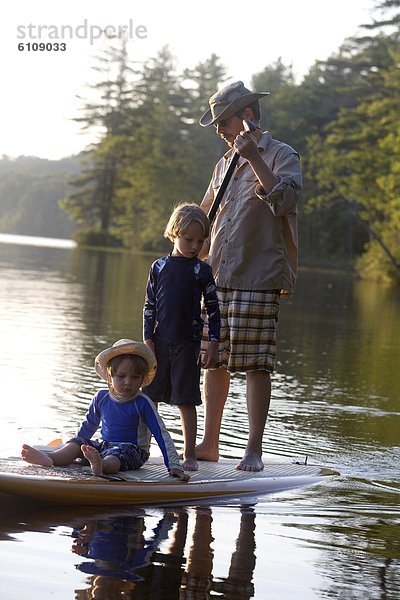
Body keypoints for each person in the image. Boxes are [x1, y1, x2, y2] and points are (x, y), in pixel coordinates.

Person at [196, 80, 303, 472]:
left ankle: (252, 450)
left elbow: (287, 201)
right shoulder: (223, 164)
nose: (220, 133)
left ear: (246, 117)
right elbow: (205, 214)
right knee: (214, 362)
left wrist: (255, 157)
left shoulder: (281, 154)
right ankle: (209, 444)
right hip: (216, 274)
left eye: (223, 123)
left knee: (257, 365)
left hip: (258, 276)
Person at [21, 339, 189, 481]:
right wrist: (77, 447)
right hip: (104, 445)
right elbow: (87, 427)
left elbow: (161, 434)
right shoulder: (101, 397)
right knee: (78, 443)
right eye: (121, 376)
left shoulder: (142, 402)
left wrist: (174, 465)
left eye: (135, 377)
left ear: (143, 379)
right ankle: (51, 459)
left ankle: (101, 466)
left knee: (114, 457)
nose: (128, 382)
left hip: (132, 450)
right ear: (110, 376)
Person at [143, 203, 220, 472]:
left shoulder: (201, 271)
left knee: (186, 399)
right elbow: (149, 306)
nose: (195, 246)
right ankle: (141, 447)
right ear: (174, 233)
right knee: (149, 397)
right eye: (189, 240)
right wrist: (147, 340)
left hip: (189, 345)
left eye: (200, 241)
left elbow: (213, 309)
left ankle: (189, 454)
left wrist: (213, 343)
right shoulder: (159, 267)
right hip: (160, 342)